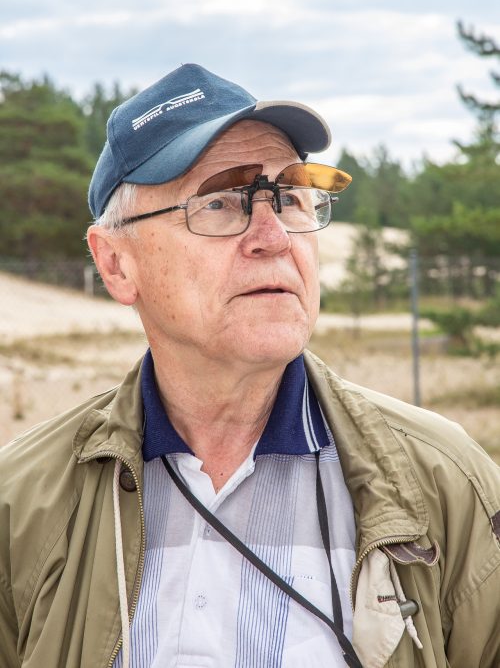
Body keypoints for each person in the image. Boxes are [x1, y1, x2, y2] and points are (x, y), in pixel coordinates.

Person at [0, 63, 498, 668]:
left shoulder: (448, 486)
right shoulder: (20, 507)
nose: (274, 236)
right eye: (220, 202)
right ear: (116, 264)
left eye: (289, 199)